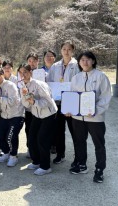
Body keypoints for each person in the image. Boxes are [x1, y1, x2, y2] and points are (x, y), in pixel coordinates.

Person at [68, 51, 111, 183]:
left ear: (93, 61)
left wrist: (95, 110)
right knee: (79, 141)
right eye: (82, 60)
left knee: (99, 144)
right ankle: (81, 164)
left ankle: (99, 169)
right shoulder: (76, 78)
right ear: (79, 63)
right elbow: (72, 95)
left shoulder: (101, 76)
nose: (85, 62)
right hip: (78, 118)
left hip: (95, 118)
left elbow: (105, 97)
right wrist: (70, 109)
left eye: (87, 59)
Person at [20, 65, 58, 176]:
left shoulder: (39, 84)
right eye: (21, 73)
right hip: (37, 114)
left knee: (42, 139)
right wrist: (25, 97)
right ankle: (36, 161)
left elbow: (48, 101)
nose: (23, 75)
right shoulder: (23, 85)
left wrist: (34, 102)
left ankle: (45, 166)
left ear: (30, 72)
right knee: (31, 137)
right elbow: (26, 103)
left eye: (25, 72)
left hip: (49, 114)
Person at [47, 41, 80, 165]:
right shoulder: (55, 66)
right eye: (64, 49)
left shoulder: (77, 65)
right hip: (57, 101)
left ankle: (78, 157)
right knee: (58, 131)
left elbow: (79, 83)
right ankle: (61, 154)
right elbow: (49, 82)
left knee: (74, 130)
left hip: (71, 99)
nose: (66, 51)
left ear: (73, 51)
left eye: (69, 49)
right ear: (61, 51)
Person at [0, 68, 24, 167]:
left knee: (11, 137)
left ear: (3, 75)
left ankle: (14, 156)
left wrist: (0, 98)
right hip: (4, 115)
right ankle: (6, 152)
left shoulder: (10, 85)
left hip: (16, 115)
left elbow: (12, 101)